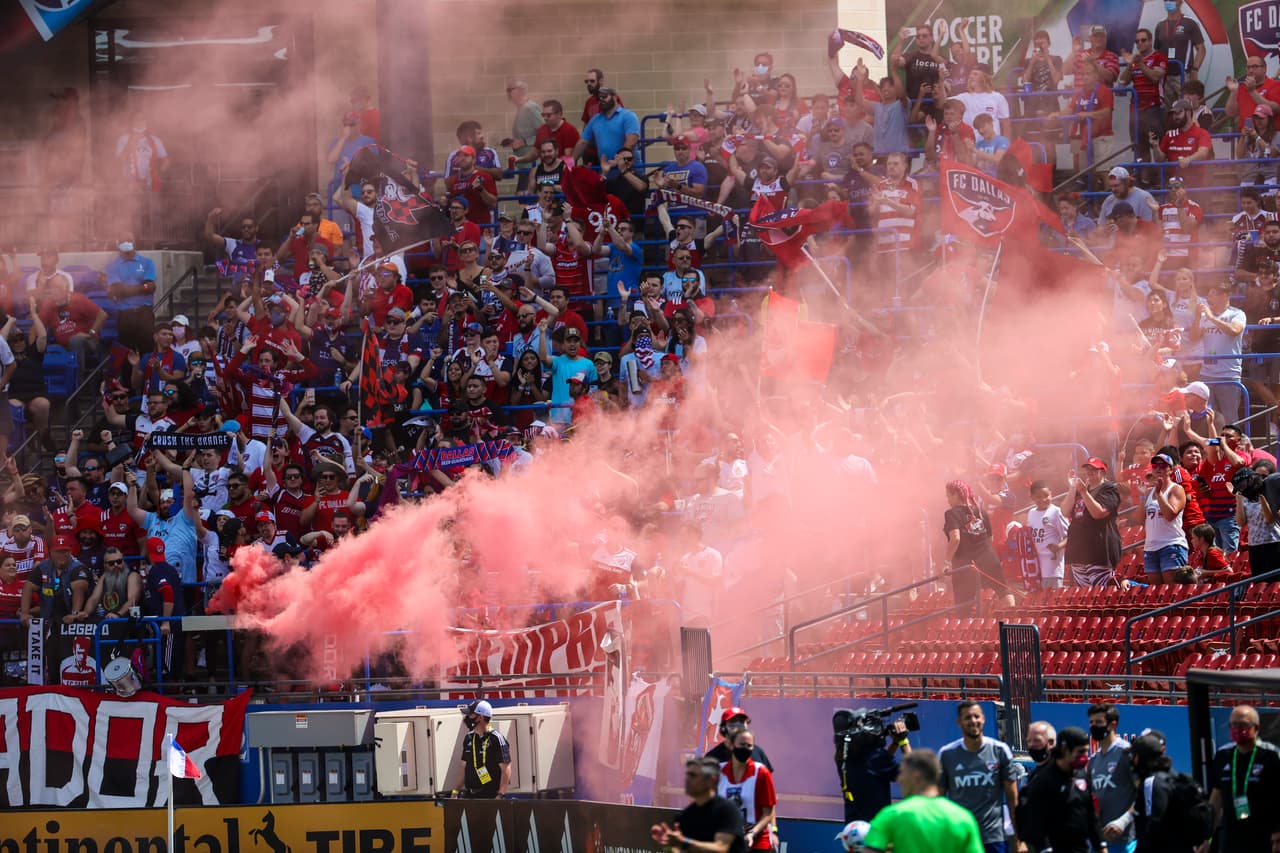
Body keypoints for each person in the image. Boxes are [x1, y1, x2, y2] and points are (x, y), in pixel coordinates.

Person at [864, 750, 984, 853]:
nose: (899, 779)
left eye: (901, 773)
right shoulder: (963, 818)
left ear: (916, 777)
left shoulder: (891, 815)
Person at [939, 701, 1019, 853]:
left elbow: (1012, 798)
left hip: (994, 837)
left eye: (977, 716)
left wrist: (1018, 838)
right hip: (960, 837)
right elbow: (939, 800)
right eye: (967, 717)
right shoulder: (947, 754)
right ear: (959, 722)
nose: (973, 721)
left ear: (984, 718)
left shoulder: (1000, 750)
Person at [1203, 704, 1280, 853]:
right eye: (1233, 724)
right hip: (1231, 837)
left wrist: (1277, 833)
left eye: (1243, 724)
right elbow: (1216, 799)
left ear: (1256, 728)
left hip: (1263, 837)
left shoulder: (1270, 757)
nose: (1237, 729)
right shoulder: (1222, 757)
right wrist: (1207, 836)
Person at [1017, 727, 1102, 853]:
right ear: (1065, 751)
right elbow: (1032, 823)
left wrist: (1101, 846)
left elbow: (1091, 816)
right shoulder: (1042, 781)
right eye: (1080, 752)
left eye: (1086, 752)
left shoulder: (1083, 776)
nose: (1084, 757)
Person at [943, 480, 1013, 612]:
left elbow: (955, 539)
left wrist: (946, 563)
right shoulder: (981, 512)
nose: (948, 500)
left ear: (957, 494)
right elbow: (989, 538)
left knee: (963, 606)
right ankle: (1013, 620)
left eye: (949, 496)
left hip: (966, 564)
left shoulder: (951, 514)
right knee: (1003, 591)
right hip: (989, 559)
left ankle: (966, 631)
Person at [650, 756, 745, 853]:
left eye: (693, 775)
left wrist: (683, 842)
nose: (687, 779)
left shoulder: (727, 810)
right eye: (687, 775)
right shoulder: (685, 816)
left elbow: (720, 848)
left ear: (711, 780)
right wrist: (670, 844)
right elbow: (680, 849)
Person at [836, 709, 912, 822]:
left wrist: (894, 743)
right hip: (876, 828)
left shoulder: (842, 755)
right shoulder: (874, 757)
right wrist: (903, 741)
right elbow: (912, 772)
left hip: (853, 826)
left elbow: (878, 769)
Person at [1061, 457, 1123, 586]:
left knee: (1101, 595)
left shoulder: (1109, 488)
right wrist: (1073, 487)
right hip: (1078, 551)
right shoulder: (1081, 489)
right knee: (1085, 596)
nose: (1090, 471)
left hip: (1098, 552)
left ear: (1103, 471)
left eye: (1094, 469)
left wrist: (1083, 491)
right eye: (1088, 468)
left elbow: (1098, 513)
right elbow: (1065, 511)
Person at [1086, 703, 1137, 853]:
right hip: (1101, 841)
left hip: (1125, 840)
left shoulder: (1126, 753)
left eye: (1099, 722)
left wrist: (1123, 821)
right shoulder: (1094, 760)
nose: (1094, 726)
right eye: (1091, 722)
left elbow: (1142, 793)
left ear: (1112, 725)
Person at [717, 729, 776, 851]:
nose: (745, 748)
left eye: (749, 746)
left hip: (757, 842)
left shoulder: (761, 772)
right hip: (728, 840)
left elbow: (768, 813)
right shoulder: (719, 771)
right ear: (732, 745)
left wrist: (752, 833)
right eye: (742, 745)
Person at [1143, 453, 1188, 585]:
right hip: (1151, 547)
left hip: (1171, 543)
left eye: (1162, 465)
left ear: (1171, 469)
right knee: (1156, 590)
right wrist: (1142, 497)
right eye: (1155, 466)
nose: (1158, 469)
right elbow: (1139, 519)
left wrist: (1159, 493)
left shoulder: (1176, 489)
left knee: (1172, 586)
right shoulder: (1149, 492)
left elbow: (1170, 515)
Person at [451, 700, 511, 799]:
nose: (467, 718)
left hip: (490, 796)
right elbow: (463, 766)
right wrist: (455, 791)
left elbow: (506, 768)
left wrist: (501, 794)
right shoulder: (469, 738)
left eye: (470, 715)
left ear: (480, 717)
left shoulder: (496, 739)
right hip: (470, 795)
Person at [1026, 480, 1070, 589]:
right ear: (1032, 497)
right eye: (1038, 497)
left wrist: (1058, 546)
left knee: (1052, 600)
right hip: (1036, 567)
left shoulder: (1057, 512)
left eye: (1046, 495)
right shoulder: (1031, 513)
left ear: (1051, 494)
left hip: (1052, 567)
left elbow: (1070, 535)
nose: (1043, 499)